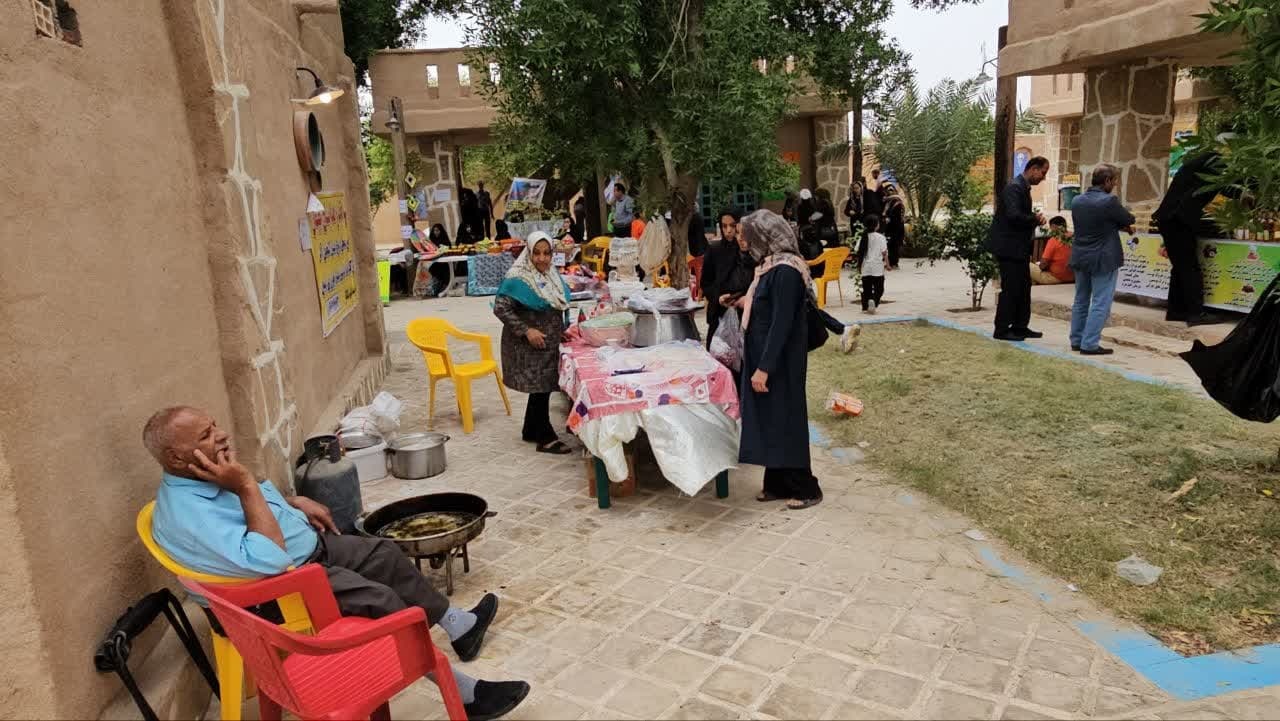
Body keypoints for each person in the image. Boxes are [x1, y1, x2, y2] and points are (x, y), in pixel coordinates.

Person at [142, 407, 530, 720]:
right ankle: (464, 693)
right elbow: (271, 560)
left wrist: (292, 502)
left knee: (383, 554)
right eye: (206, 435)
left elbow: (257, 506)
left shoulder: (210, 475)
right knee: (381, 601)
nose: (222, 435)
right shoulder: (190, 514)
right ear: (176, 457)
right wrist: (244, 484)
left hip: (309, 552)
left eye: (215, 425)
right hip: (280, 591)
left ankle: (460, 626)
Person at [737, 209, 823, 510]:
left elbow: (782, 323)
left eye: (745, 235)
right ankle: (776, 482)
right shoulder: (768, 267)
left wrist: (765, 368)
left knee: (786, 419)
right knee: (771, 418)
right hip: (766, 357)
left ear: (763, 236)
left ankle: (806, 487)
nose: (741, 240)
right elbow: (766, 307)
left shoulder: (786, 271)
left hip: (780, 362)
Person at [493, 232, 573, 455]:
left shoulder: (550, 274)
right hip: (527, 346)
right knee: (541, 386)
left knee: (542, 388)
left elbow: (557, 304)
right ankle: (545, 437)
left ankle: (530, 429)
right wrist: (527, 331)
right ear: (528, 253)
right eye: (536, 253)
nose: (542, 258)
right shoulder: (518, 277)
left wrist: (561, 330)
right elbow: (500, 308)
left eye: (546, 253)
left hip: (546, 343)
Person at [1154, 146, 1234, 326]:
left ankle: (1176, 311)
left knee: (1180, 267)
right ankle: (1196, 313)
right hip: (1178, 220)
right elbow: (1226, 186)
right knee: (1190, 268)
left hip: (1169, 219)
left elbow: (1222, 186)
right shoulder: (1214, 161)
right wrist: (1247, 192)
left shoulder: (1200, 162)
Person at [1069, 164, 1135, 356]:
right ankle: (1089, 344)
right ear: (1107, 181)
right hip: (1103, 258)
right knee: (1101, 302)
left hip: (1081, 256)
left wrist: (1114, 224)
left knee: (1080, 300)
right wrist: (1121, 225)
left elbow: (1095, 223)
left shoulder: (1077, 200)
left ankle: (1076, 340)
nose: (1114, 185)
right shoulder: (1109, 201)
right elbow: (1128, 219)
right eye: (1114, 181)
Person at [988, 156, 1050, 341]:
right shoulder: (1014, 188)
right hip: (1009, 248)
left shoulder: (1022, 187)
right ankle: (1001, 329)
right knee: (1011, 288)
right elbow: (1014, 215)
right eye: (1043, 173)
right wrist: (1034, 219)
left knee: (1023, 288)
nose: (1043, 177)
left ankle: (1020, 326)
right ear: (1033, 169)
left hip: (1019, 248)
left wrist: (1032, 218)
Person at [702, 209, 755, 353]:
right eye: (724, 226)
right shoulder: (715, 251)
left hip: (746, 315)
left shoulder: (750, 251)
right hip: (720, 315)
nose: (728, 231)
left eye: (732, 226)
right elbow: (706, 283)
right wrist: (718, 298)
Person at [1030, 217, 1074, 285]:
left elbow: (1043, 265)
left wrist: (1041, 265)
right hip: (1073, 277)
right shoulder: (1074, 237)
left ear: (1054, 226)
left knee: (1027, 265)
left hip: (1057, 278)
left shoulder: (1053, 240)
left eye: (1051, 228)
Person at [859, 214, 888, 313]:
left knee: (867, 289)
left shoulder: (863, 237)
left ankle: (866, 306)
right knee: (879, 289)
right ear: (876, 225)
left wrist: (859, 266)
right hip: (877, 268)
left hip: (866, 268)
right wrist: (888, 265)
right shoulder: (881, 237)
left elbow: (859, 252)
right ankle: (874, 302)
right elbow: (884, 253)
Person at [881, 184, 906, 270]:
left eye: (891, 190)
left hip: (897, 227)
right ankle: (891, 262)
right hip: (889, 227)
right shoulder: (887, 202)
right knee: (890, 245)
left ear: (895, 191)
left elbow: (898, 216)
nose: (890, 192)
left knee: (895, 245)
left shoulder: (897, 202)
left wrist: (889, 218)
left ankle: (894, 263)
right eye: (888, 190)